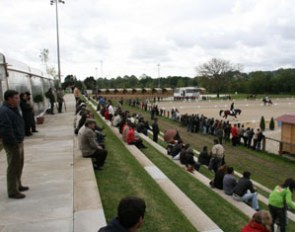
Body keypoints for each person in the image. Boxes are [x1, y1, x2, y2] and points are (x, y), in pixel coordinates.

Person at [0, 90, 29, 199]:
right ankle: (12, 191)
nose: (18, 100)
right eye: (16, 98)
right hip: (13, 143)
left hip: (18, 141)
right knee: (13, 167)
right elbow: (6, 129)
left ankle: (18, 185)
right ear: (9, 99)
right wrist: (14, 142)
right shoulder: (4, 111)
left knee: (19, 165)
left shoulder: (13, 108)